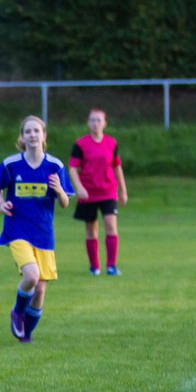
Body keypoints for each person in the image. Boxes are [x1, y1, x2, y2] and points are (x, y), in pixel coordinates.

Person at [0, 115, 74, 343]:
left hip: (44, 234)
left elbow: (65, 202)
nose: (32, 135)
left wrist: (59, 190)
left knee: (39, 291)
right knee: (31, 275)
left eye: (36, 131)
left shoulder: (55, 166)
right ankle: (17, 312)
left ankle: (26, 334)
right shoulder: (11, 164)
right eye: (27, 131)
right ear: (22, 137)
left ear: (44, 136)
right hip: (17, 230)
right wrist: (1, 203)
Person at [68, 107, 128, 276]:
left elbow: (117, 167)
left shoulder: (111, 143)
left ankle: (111, 266)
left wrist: (123, 190)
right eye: (92, 120)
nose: (95, 123)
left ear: (105, 123)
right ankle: (94, 267)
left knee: (111, 225)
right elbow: (72, 168)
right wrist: (79, 188)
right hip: (89, 193)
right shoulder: (81, 144)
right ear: (88, 123)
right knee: (91, 229)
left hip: (108, 191)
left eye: (98, 120)